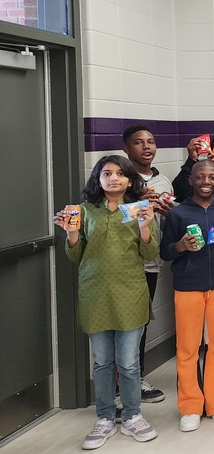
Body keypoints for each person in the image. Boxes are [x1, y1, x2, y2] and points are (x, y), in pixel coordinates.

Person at [55, 155, 159, 449]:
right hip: (94, 294)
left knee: (128, 363)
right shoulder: (84, 211)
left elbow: (150, 253)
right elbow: (74, 256)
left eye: (120, 174)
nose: (113, 178)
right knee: (102, 362)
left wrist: (144, 225)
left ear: (130, 179)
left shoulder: (141, 209)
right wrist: (71, 232)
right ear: (97, 179)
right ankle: (103, 417)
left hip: (131, 293)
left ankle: (132, 416)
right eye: (106, 173)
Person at [161, 160, 214, 432]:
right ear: (191, 180)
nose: (206, 182)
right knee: (187, 348)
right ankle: (190, 405)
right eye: (200, 177)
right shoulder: (178, 214)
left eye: (212, 177)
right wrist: (181, 246)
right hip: (187, 286)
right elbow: (165, 252)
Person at [121, 124, 173, 403]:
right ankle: (121, 385)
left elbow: (165, 219)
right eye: (139, 142)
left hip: (150, 260)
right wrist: (137, 202)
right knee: (124, 326)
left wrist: (167, 211)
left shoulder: (163, 180)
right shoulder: (119, 179)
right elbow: (110, 219)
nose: (147, 147)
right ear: (126, 148)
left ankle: (136, 377)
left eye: (151, 141)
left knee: (140, 323)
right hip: (124, 263)